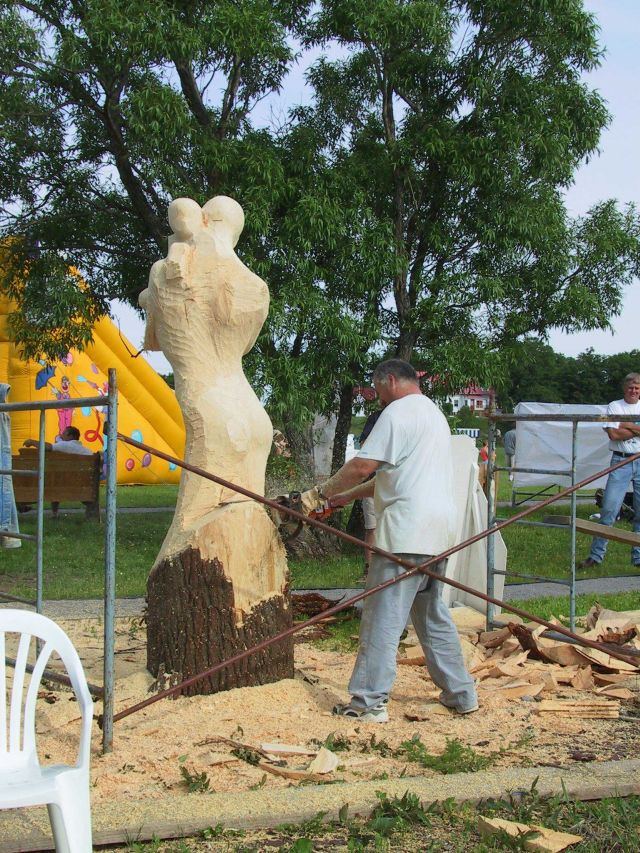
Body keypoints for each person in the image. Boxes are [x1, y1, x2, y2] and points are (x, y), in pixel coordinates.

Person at [319, 359, 478, 722]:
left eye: (377, 390)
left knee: (381, 618)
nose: (377, 399)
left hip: (406, 532)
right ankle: (461, 693)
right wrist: (343, 498)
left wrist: (319, 493)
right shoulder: (433, 414)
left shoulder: (397, 412)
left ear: (389, 380)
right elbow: (393, 477)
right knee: (431, 615)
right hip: (438, 533)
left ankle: (368, 703)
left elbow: (362, 465)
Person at [578, 373, 640, 570]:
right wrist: (636, 426)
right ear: (625, 388)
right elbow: (613, 434)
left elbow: (618, 429)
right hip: (620, 460)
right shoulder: (614, 406)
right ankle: (596, 556)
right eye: (631, 387)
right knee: (609, 509)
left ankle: (638, 557)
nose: (634, 390)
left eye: (637, 387)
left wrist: (624, 424)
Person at [23, 426, 94, 517]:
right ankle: (91, 514)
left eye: (64, 433)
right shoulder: (87, 451)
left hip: (64, 483)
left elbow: (48, 447)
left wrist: (31, 442)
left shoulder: (66, 445)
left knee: (53, 479)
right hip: (85, 484)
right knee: (56, 477)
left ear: (71, 436)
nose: (61, 435)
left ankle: (52, 513)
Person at [359, 406, 384, 579]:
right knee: (372, 527)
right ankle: (370, 569)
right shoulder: (375, 418)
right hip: (373, 481)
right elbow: (364, 446)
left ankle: (387, 568)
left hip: (396, 483)